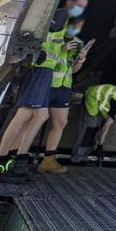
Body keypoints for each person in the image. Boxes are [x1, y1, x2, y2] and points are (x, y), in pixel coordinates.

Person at [0, 0, 88, 182]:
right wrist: (63, 50)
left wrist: (78, 57)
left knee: (41, 116)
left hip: (47, 74)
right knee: (23, 116)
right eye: (79, 4)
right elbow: (45, 45)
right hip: (40, 72)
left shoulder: (68, 30)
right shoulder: (59, 17)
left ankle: (19, 161)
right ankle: (0, 163)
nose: (80, 9)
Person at [35, 17, 92, 174]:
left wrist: (81, 59)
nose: (75, 28)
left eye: (79, 26)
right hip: (45, 84)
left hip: (63, 87)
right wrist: (62, 49)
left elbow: (73, 69)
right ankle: (16, 156)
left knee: (60, 123)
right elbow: (43, 58)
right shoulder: (52, 36)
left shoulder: (77, 42)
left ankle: (48, 160)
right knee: (34, 120)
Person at [70, 83, 116, 164]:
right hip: (92, 98)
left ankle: (82, 156)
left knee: (94, 130)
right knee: (89, 131)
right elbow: (106, 127)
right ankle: (77, 158)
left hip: (96, 99)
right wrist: (100, 146)